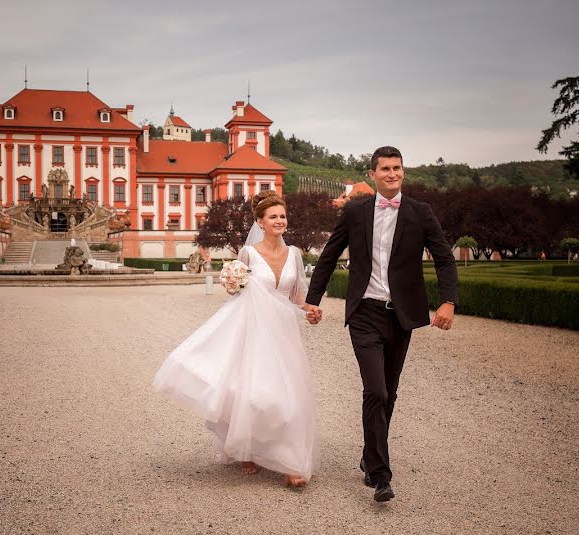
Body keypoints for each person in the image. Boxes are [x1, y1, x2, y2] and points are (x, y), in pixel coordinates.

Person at [303, 146, 458, 503]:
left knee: (390, 390)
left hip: (401, 315)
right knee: (376, 390)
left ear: (403, 172)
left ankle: (370, 451)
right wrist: (314, 299)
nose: (392, 174)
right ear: (372, 174)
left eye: (397, 168)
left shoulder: (421, 213)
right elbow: (329, 255)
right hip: (364, 313)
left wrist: (448, 301)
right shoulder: (355, 210)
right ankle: (380, 475)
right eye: (385, 168)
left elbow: (445, 259)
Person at [153, 191, 319, 488]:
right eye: (273, 217)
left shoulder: (294, 253)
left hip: (284, 332)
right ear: (260, 221)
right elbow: (239, 294)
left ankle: (291, 461)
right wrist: (231, 284)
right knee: (253, 392)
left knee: (290, 394)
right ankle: (247, 448)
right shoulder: (248, 254)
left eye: (282, 216)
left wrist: (310, 309)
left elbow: (297, 296)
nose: (280, 220)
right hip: (254, 331)